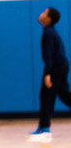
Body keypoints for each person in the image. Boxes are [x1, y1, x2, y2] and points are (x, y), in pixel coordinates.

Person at [29, 7, 71, 140]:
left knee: (46, 96)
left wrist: (47, 74)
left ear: (49, 18)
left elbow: (49, 56)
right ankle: (43, 127)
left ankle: (44, 128)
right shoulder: (50, 32)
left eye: (44, 12)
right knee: (63, 94)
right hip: (61, 65)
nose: (41, 14)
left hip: (56, 67)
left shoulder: (49, 34)